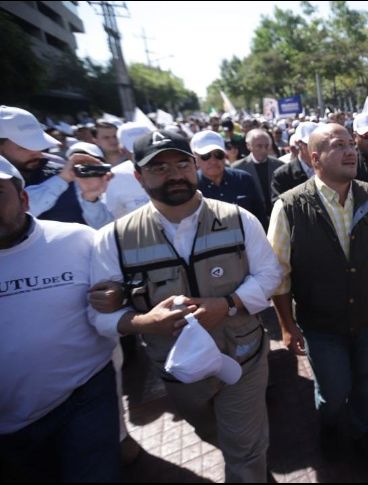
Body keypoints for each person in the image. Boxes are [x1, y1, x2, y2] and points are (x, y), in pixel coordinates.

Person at [89, 130, 282, 482]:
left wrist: (228, 304)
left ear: (194, 166)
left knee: (245, 446)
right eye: (159, 168)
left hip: (244, 357)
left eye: (181, 163)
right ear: (137, 177)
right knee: (211, 431)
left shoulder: (239, 219)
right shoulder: (113, 239)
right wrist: (144, 322)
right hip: (180, 372)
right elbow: (99, 317)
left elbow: (270, 276)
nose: (174, 174)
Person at [267, 124, 368, 467]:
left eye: (352, 144)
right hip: (320, 324)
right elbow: (278, 275)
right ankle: (328, 425)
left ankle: (361, 431)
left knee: (365, 383)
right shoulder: (289, 206)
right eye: (338, 145)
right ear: (315, 158)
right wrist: (286, 325)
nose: (350, 150)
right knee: (333, 392)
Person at [0, 156, 120, 481]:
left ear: (23, 198)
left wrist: (116, 297)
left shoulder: (77, 239)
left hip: (85, 394)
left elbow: (115, 278)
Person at [0, 106, 112, 228]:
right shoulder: (63, 177)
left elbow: (104, 228)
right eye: (24, 147)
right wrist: (61, 180)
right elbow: (16, 213)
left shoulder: (61, 171)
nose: (37, 152)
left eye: (38, 144)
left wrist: (91, 199)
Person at [191, 130, 267, 228]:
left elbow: (260, 218)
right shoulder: (191, 187)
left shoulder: (244, 179)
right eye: (206, 156)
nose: (213, 161)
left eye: (218, 155)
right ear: (195, 158)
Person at [234, 128, 289, 218]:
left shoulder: (279, 166)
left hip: (277, 216)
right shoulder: (238, 169)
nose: (264, 150)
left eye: (267, 146)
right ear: (248, 146)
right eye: (259, 146)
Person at [270, 123, 320, 202]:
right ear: (298, 143)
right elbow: (279, 205)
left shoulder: (331, 168)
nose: (316, 149)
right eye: (310, 144)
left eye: (320, 144)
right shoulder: (282, 175)